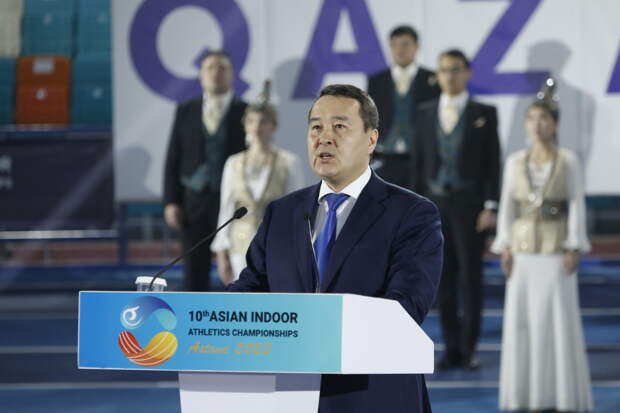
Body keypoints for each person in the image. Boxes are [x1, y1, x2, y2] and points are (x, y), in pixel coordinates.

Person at [228, 84, 443, 412]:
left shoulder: (411, 213)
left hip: (372, 395)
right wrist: (203, 315)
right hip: (290, 394)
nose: (324, 138)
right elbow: (250, 290)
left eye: (339, 127)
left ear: (371, 140)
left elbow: (405, 307)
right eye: (316, 127)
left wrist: (317, 331)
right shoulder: (282, 213)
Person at [491, 78, 593, 412]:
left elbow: (576, 203)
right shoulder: (514, 162)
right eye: (532, 119)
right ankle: (524, 396)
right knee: (523, 322)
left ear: (556, 124)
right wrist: (505, 245)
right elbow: (508, 206)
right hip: (522, 253)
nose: (537, 125)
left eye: (544, 119)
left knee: (557, 321)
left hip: (555, 251)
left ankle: (560, 396)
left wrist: (573, 245)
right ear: (525, 123)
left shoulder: (568, 160)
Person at [413, 49, 501, 369]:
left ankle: (469, 348)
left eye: (455, 69)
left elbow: (493, 162)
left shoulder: (484, 112)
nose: (449, 76)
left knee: (471, 278)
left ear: (468, 73)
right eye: (444, 70)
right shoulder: (424, 112)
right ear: (437, 75)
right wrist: (415, 207)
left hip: (470, 205)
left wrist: (490, 205)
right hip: (435, 204)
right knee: (443, 278)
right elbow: (418, 163)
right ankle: (450, 348)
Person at [163, 51, 247, 291]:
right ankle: (192, 316)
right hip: (193, 205)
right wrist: (171, 202)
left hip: (233, 205)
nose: (216, 73)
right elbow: (173, 157)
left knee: (236, 272)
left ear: (232, 75)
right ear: (201, 75)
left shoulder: (247, 112)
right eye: (210, 68)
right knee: (193, 274)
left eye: (222, 68)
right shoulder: (185, 110)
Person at [210, 81, 304, 284]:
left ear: (274, 126)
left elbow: (296, 212)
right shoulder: (233, 163)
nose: (257, 127)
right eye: (251, 121)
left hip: (276, 245)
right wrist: (221, 254)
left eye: (263, 121)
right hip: (239, 245)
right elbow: (226, 210)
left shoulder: (289, 162)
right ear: (245, 125)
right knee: (241, 297)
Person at [367, 25, 440, 189]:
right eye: (395, 45)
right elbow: (369, 119)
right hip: (385, 159)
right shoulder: (376, 81)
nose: (400, 50)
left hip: (421, 160)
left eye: (405, 44)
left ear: (417, 47)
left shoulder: (433, 80)